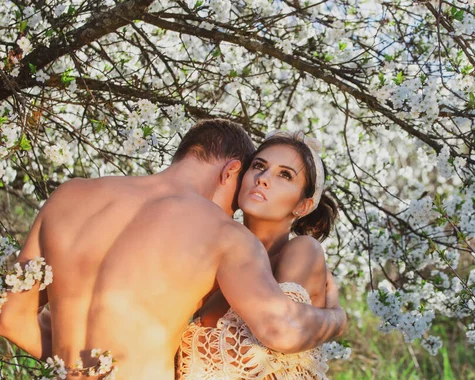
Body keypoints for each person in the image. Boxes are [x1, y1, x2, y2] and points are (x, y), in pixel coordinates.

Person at [0, 119, 346, 379]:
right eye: (255, 170)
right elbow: (280, 330)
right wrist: (337, 318)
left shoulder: (69, 195)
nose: (231, 212)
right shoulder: (223, 233)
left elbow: (11, 318)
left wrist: (82, 369)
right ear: (231, 172)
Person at [177, 131, 339, 379]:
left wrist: (337, 319)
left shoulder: (302, 250)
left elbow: (278, 342)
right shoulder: (218, 260)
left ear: (302, 206)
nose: (263, 179)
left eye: (284, 175)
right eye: (259, 166)